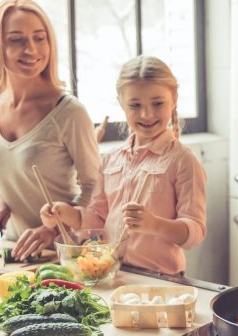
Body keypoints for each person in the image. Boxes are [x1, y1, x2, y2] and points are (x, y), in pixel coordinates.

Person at [40, 55, 207, 275]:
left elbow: (194, 233)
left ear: (174, 98)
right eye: (135, 105)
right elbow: (96, 218)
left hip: (163, 279)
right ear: (121, 104)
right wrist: (65, 214)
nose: (147, 114)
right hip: (115, 273)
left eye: (157, 103)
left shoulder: (183, 160)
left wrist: (154, 224)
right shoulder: (110, 159)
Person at [0, 0, 100, 261]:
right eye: (16, 40)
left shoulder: (69, 112)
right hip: (11, 249)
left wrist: (49, 229)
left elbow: (96, 189)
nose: (31, 49)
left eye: (39, 38)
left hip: (65, 253)